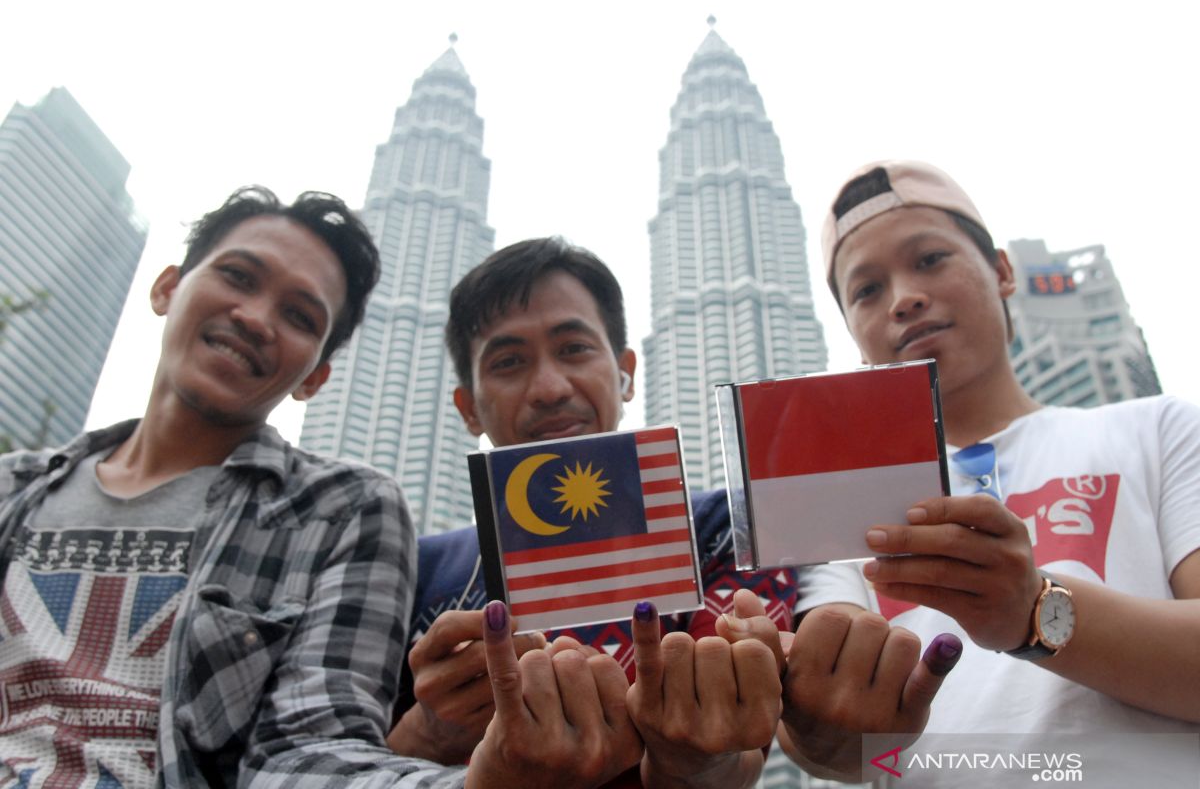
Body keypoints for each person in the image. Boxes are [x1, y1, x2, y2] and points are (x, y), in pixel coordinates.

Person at [0, 187, 543, 787]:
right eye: (237, 276)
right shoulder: (11, 488)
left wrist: (479, 782)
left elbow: (308, 748)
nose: (255, 318)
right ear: (168, 287)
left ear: (315, 376)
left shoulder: (345, 511)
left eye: (299, 317)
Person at [387, 237, 962, 786]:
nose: (549, 386)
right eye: (508, 361)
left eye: (574, 348)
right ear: (467, 406)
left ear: (626, 371)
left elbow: (740, 757)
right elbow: (326, 755)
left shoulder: (723, 530)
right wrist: (429, 731)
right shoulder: (416, 570)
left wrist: (692, 761)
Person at [814, 160, 1200, 782]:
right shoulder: (836, 514)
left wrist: (1032, 612)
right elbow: (835, 750)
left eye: (930, 259)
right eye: (866, 290)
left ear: (1001, 270)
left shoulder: (1161, 430)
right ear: (856, 340)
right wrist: (794, 702)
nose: (904, 297)